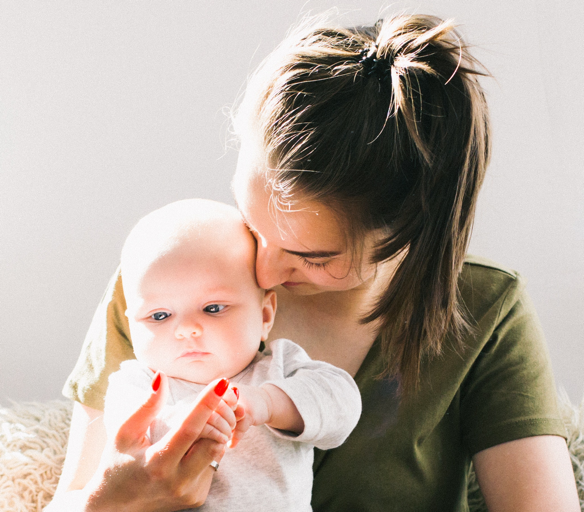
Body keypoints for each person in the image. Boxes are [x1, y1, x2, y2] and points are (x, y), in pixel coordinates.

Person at [48, 13, 580, 512]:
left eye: (314, 257)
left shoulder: (485, 311)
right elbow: (69, 496)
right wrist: (111, 501)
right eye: (253, 225)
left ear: (410, 234)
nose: (264, 272)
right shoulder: (164, 287)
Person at [102, 198, 361, 511]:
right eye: (159, 316)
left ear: (265, 316)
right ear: (132, 326)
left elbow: (342, 407)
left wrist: (266, 402)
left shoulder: (279, 367)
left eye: (213, 308)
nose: (186, 329)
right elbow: (125, 450)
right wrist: (184, 422)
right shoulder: (136, 384)